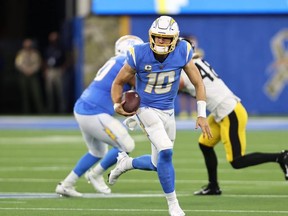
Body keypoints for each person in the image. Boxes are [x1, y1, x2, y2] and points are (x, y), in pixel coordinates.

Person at [108, 16, 212, 216]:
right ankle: (173, 205)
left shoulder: (183, 50)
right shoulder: (138, 53)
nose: (161, 41)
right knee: (166, 151)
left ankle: (125, 163)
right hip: (144, 109)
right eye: (157, 37)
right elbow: (118, 82)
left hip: (168, 111)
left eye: (165, 38)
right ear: (150, 36)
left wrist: (201, 114)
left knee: (158, 164)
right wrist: (116, 104)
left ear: (174, 39)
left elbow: (198, 83)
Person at [179, 38, 288, 195]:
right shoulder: (196, 61)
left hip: (230, 112)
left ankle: (281, 156)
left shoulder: (186, 69)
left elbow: (173, 86)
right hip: (221, 112)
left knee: (237, 161)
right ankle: (213, 186)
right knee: (205, 144)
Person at [55, 35, 144, 197]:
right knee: (126, 145)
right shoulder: (125, 63)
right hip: (93, 112)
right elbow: (139, 85)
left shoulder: (114, 61)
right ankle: (95, 174)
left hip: (84, 108)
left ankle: (66, 185)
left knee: (97, 152)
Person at [15, 38, 44, 114]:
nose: (28, 46)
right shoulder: (21, 53)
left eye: (29, 44)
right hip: (24, 75)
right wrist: (25, 70)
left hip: (33, 75)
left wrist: (31, 70)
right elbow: (18, 64)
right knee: (25, 94)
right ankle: (26, 111)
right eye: (26, 44)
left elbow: (38, 64)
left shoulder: (35, 53)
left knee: (36, 93)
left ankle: (40, 111)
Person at [43, 31, 67, 113]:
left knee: (60, 91)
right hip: (50, 70)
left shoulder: (61, 48)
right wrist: (45, 69)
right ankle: (50, 109)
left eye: (55, 38)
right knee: (49, 91)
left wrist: (63, 68)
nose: (54, 40)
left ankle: (62, 108)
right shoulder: (48, 49)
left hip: (58, 70)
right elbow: (44, 60)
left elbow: (66, 59)